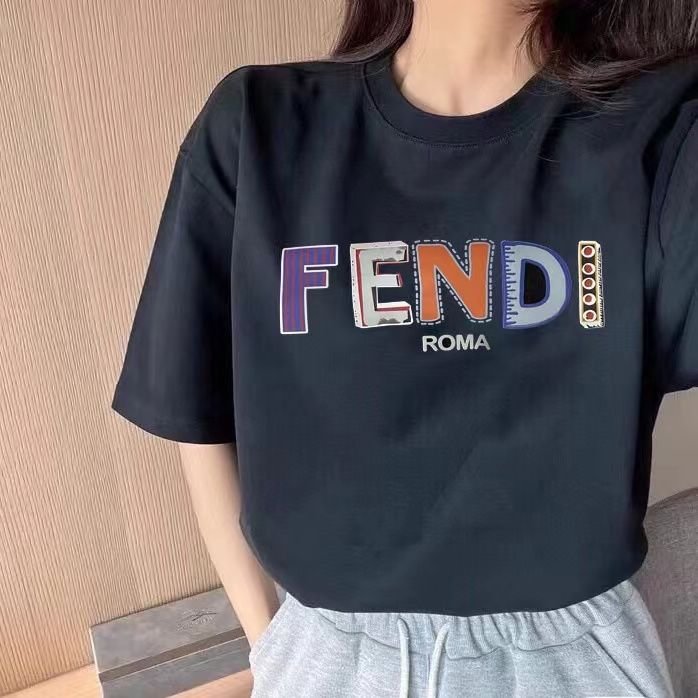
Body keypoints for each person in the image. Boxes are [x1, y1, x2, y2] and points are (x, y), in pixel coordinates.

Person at [111, 0, 698, 695]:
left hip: (574, 663)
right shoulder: (260, 127)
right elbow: (195, 407)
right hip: (326, 658)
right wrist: (276, 644)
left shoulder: (666, 132)